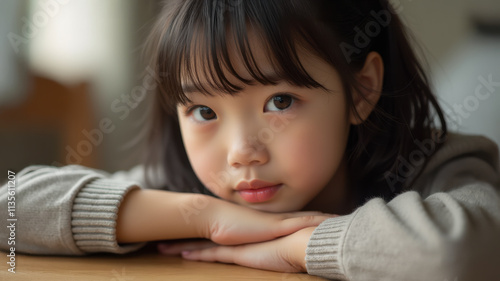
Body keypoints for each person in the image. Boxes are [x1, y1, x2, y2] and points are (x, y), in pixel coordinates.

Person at [1, 0, 500, 280]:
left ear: (360, 90)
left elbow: (453, 254)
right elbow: (9, 212)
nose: (242, 152)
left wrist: (295, 247)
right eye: (203, 111)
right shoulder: (187, 187)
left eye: (280, 102)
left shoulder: (439, 167)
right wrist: (204, 216)